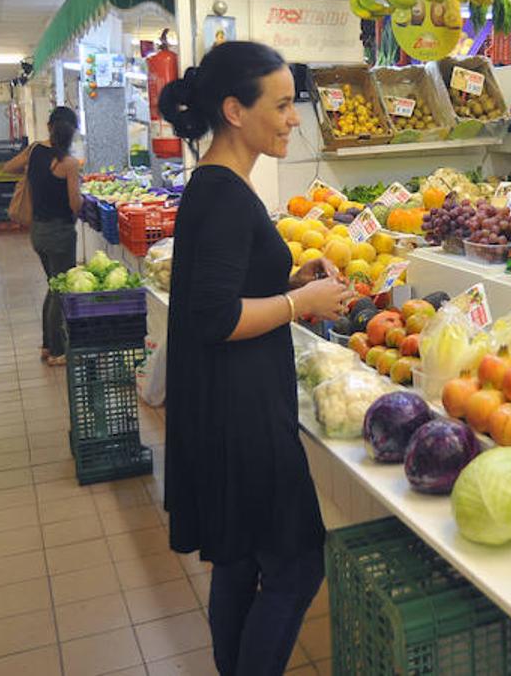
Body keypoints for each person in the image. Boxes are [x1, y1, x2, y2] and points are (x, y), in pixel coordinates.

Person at [159, 42, 355, 674]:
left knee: (240, 559)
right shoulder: (220, 194)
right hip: (241, 416)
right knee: (297, 566)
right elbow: (214, 317)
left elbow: (227, 290)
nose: (294, 117)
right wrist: (301, 306)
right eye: (280, 105)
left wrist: (295, 280)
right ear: (234, 112)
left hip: (226, 405)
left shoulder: (221, 186)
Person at [4, 107, 82, 365]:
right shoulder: (69, 164)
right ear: (72, 132)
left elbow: (9, 167)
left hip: (37, 231)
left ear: (50, 126)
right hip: (59, 233)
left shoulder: (35, 150)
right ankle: (59, 351)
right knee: (59, 290)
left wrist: (31, 174)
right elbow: (74, 204)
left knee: (53, 286)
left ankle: (47, 345)